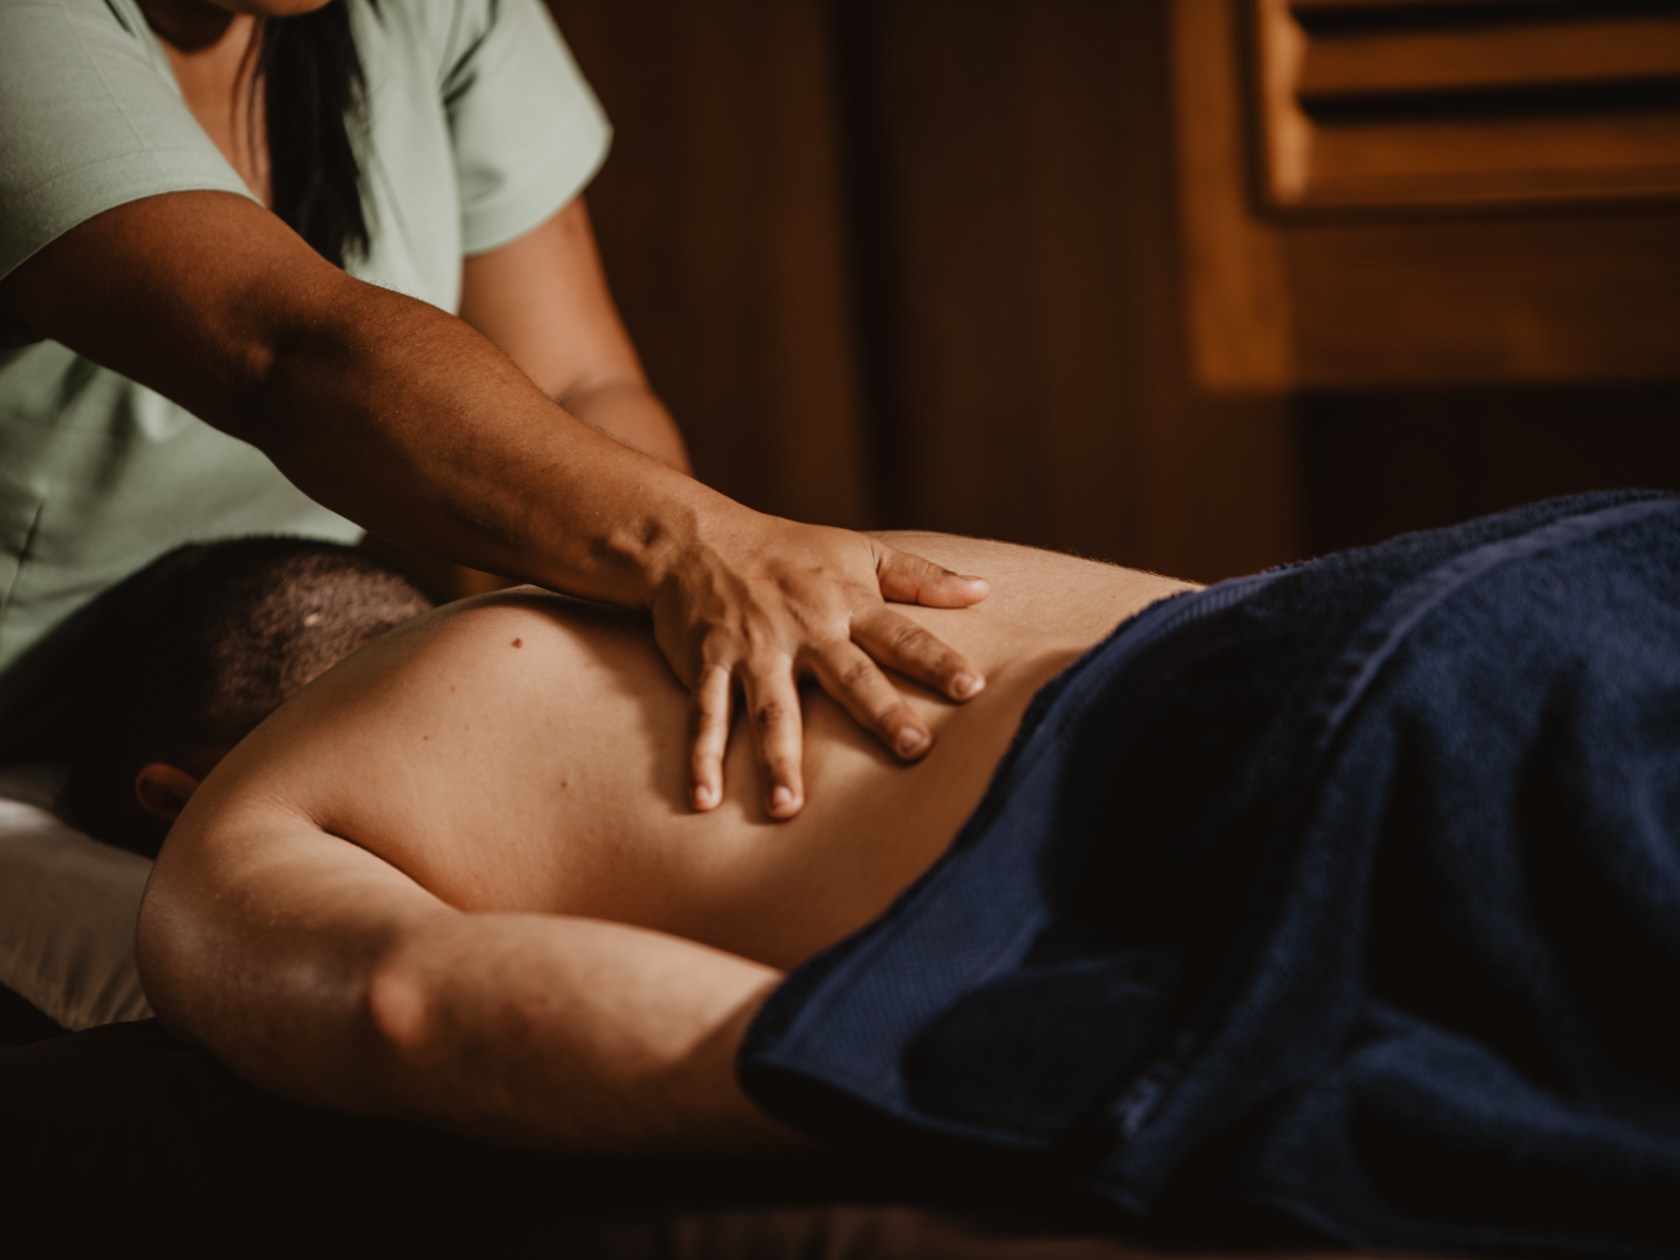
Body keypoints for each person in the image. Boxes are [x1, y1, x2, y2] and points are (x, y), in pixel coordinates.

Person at [128, 492, 1680, 1260]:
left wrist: (982, 1075)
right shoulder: (720, 554)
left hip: (1280, 791)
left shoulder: (229, 826)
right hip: (1518, 577)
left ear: (161, 783)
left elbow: (410, 1004)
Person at [0, 0, 990, 827]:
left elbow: (579, 392)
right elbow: (284, 354)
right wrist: (690, 549)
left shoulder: (434, 15)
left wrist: (653, 637)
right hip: (63, 725)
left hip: (295, 641)